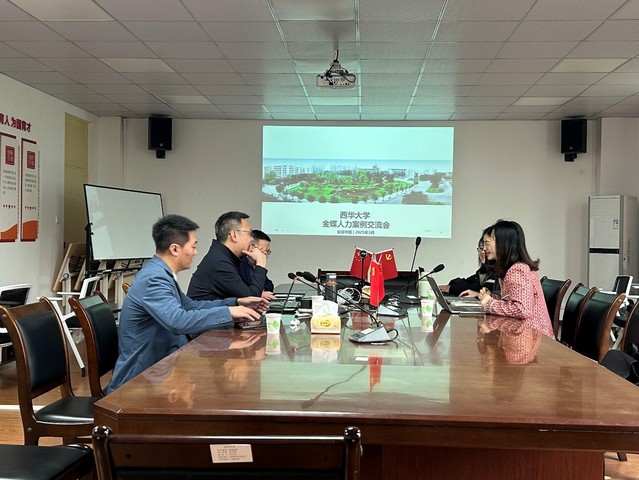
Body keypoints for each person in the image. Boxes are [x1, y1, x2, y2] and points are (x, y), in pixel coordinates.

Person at [106, 214, 268, 393]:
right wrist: (229, 312)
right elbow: (178, 321)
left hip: (162, 370)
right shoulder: (154, 279)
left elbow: (191, 306)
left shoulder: (161, 274)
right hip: (139, 384)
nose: (195, 252)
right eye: (193, 246)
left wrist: (235, 302)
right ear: (175, 249)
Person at [477, 220, 554, 338]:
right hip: (524, 334)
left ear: (503, 243)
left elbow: (522, 310)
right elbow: (513, 301)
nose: (484, 249)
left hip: (531, 336)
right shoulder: (513, 268)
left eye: (487, 243)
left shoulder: (518, 269)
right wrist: (491, 297)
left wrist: (490, 303)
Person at [187, 211, 272, 301]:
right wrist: (260, 263)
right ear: (234, 235)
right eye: (249, 234)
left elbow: (248, 290)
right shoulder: (220, 263)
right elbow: (251, 299)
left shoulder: (229, 257)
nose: (251, 239)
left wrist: (254, 264)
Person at [239, 229, 275, 297]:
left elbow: (269, 286)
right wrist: (260, 293)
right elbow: (243, 291)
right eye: (262, 250)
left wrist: (258, 266)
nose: (266, 255)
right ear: (251, 247)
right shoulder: (240, 263)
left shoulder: (254, 265)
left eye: (268, 252)